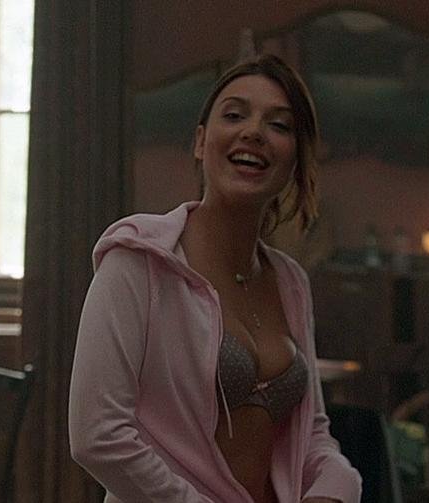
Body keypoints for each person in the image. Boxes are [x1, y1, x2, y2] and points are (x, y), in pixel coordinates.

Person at [68, 54, 361, 503]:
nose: (254, 132)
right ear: (201, 142)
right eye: (235, 115)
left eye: (279, 125)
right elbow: (97, 435)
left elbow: (314, 435)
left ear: (295, 161)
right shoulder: (138, 261)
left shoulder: (291, 282)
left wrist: (336, 490)